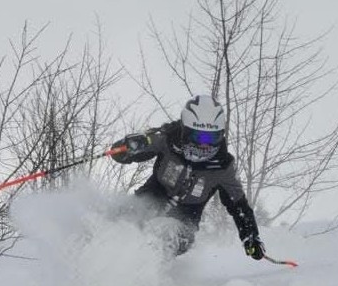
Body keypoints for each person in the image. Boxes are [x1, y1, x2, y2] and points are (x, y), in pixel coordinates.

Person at [109, 94, 266, 260]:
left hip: (184, 221)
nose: (204, 145)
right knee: (123, 218)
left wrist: (251, 238)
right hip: (151, 197)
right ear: (185, 131)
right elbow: (119, 155)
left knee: (164, 234)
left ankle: (144, 276)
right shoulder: (167, 139)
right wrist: (128, 147)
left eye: (211, 138)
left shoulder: (222, 166)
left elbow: (239, 206)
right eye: (199, 137)